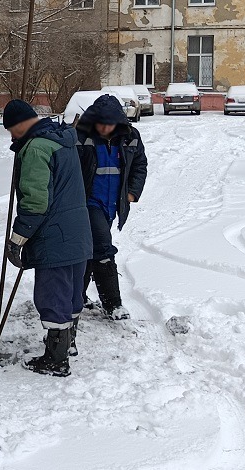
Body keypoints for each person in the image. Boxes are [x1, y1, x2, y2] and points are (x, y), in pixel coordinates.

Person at [1, 99, 92, 377]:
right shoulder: (61, 139)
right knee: (72, 293)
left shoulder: (37, 147)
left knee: (53, 295)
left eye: (10, 131)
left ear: (17, 125)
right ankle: (68, 345)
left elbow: (35, 201)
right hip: (77, 232)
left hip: (55, 236)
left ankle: (56, 359)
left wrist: (18, 238)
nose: (11, 137)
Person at [74, 94, 148, 322]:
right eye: (101, 122)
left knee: (89, 250)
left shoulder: (130, 137)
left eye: (110, 123)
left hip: (111, 205)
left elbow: (139, 164)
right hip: (88, 203)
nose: (105, 127)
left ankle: (78, 297)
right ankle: (113, 304)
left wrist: (132, 192)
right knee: (104, 249)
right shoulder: (80, 137)